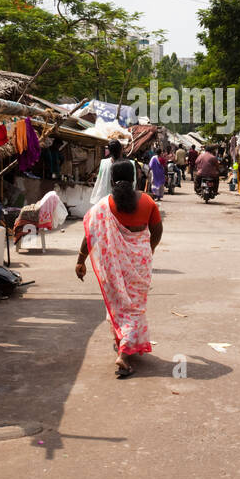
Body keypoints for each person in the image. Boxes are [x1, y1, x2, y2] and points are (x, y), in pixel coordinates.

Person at [76, 160, 163, 378]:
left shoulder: (104, 206)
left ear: (112, 180)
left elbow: (91, 235)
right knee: (134, 307)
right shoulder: (148, 202)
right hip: (140, 262)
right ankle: (124, 352)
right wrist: (149, 248)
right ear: (134, 178)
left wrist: (81, 260)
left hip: (113, 265)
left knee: (119, 304)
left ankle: (123, 345)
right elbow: (157, 230)